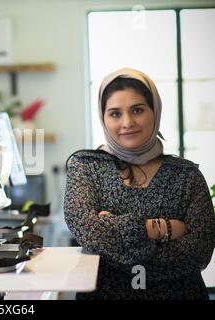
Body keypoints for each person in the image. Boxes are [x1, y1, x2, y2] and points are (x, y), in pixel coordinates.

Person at [63, 67, 215, 300]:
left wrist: (113, 234)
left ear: (155, 111)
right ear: (103, 118)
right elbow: (87, 229)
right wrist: (161, 229)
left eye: (138, 110)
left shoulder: (186, 175)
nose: (127, 122)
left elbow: (198, 253)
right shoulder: (86, 166)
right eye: (115, 114)